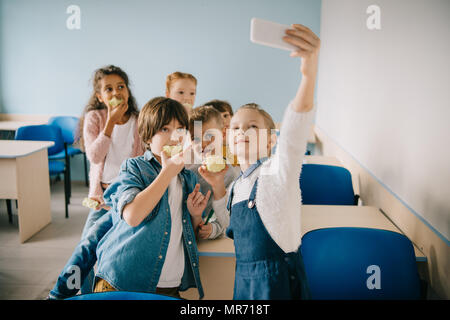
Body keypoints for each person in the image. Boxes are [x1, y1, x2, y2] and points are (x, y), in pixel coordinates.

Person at [204, 23, 320, 299]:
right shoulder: (237, 185)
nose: (242, 131)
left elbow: (294, 132)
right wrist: (219, 189)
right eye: (235, 127)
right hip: (244, 281)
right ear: (228, 138)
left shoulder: (277, 171)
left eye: (252, 127)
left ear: (270, 141)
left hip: (278, 282)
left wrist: (308, 72)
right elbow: (230, 228)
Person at [91, 97, 209, 298]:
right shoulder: (134, 167)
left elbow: (189, 233)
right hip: (123, 280)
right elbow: (133, 216)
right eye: (164, 129)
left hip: (168, 284)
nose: (174, 137)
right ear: (147, 137)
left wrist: (196, 216)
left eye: (180, 130)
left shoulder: (187, 177)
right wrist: (166, 174)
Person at [77, 65, 145, 294]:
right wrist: (110, 123)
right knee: (86, 250)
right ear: (99, 96)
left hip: (128, 198)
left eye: (120, 87)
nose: (116, 93)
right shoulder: (94, 117)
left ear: (128, 91)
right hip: (102, 198)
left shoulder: (138, 119)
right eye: (108, 89)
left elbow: (141, 161)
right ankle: (84, 295)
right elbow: (94, 155)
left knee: (119, 253)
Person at [186, 105, 240, 239]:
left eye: (209, 135)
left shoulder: (230, 175)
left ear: (222, 134)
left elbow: (229, 216)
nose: (203, 144)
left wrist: (213, 229)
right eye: (195, 138)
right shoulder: (184, 171)